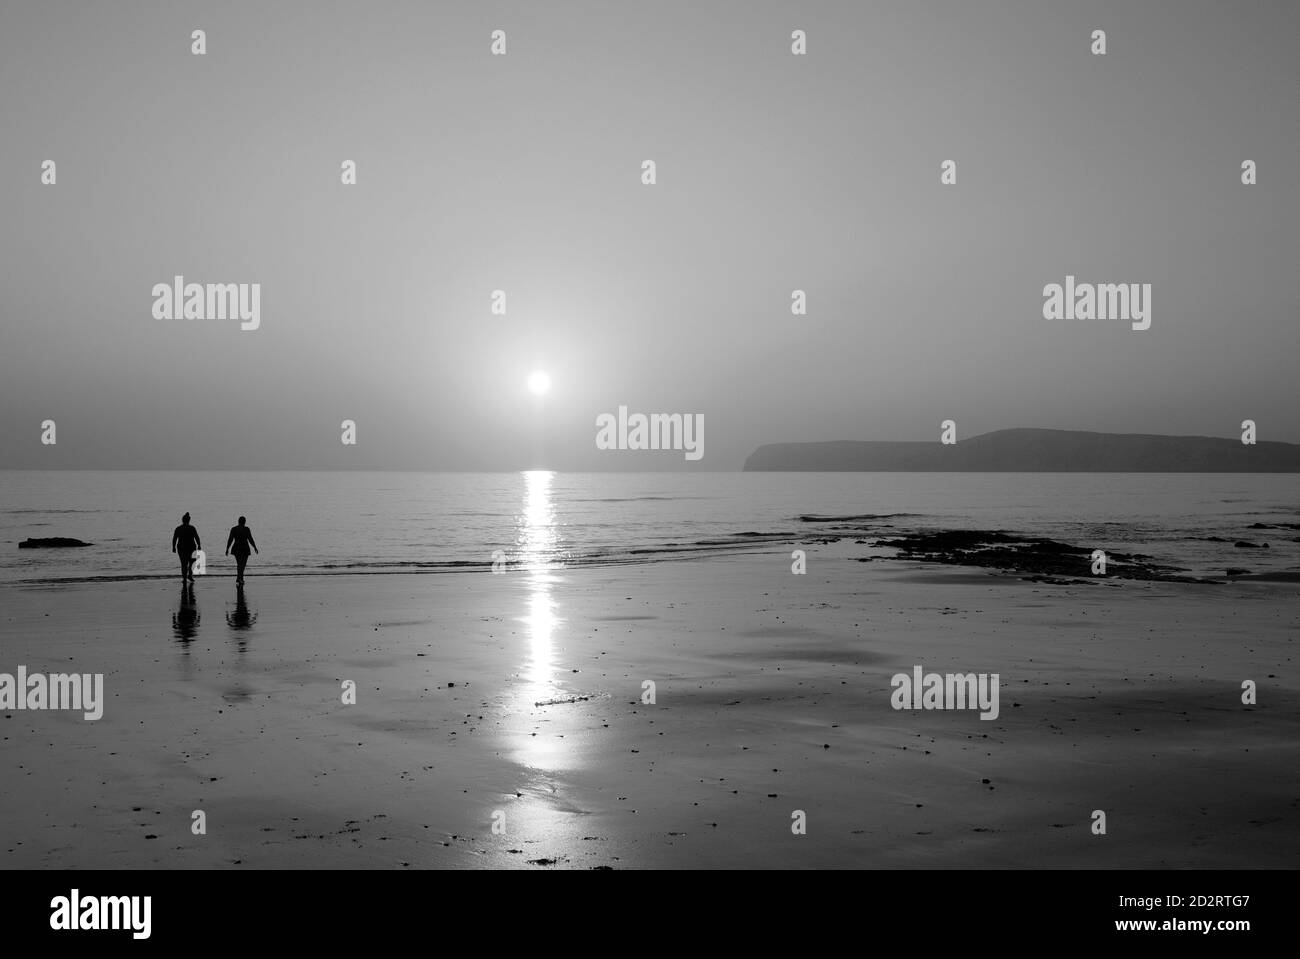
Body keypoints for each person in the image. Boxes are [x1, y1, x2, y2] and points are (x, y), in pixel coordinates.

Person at [226, 516, 259, 584]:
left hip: (236, 547)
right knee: (242, 565)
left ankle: (240, 578)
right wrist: (255, 547)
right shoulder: (246, 529)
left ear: (238, 521)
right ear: (244, 522)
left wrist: (227, 548)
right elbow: (250, 539)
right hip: (244, 548)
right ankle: (239, 578)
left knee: (239, 564)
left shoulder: (234, 529)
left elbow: (230, 539)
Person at [172, 512, 201, 581]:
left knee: (183, 564)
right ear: (189, 520)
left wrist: (173, 547)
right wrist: (199, 545)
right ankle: (189, 576)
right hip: (191, 547)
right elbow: (196, 537)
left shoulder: (178, 528)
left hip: (181, 548)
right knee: (190, 563)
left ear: (182, 520)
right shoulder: (192, 528)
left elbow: (174, 538)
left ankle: (185, 578)